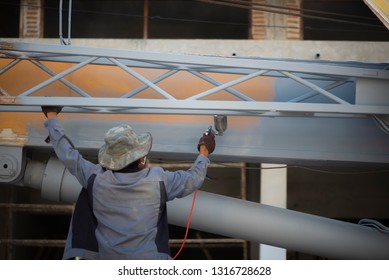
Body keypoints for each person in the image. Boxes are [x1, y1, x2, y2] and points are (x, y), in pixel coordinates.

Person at [41, 106, 216, 260]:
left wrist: (51, 116)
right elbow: (194, 178)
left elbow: (67, 154)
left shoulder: (95, 178)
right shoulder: (159, 180)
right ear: (140, 159)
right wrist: (204, 151)